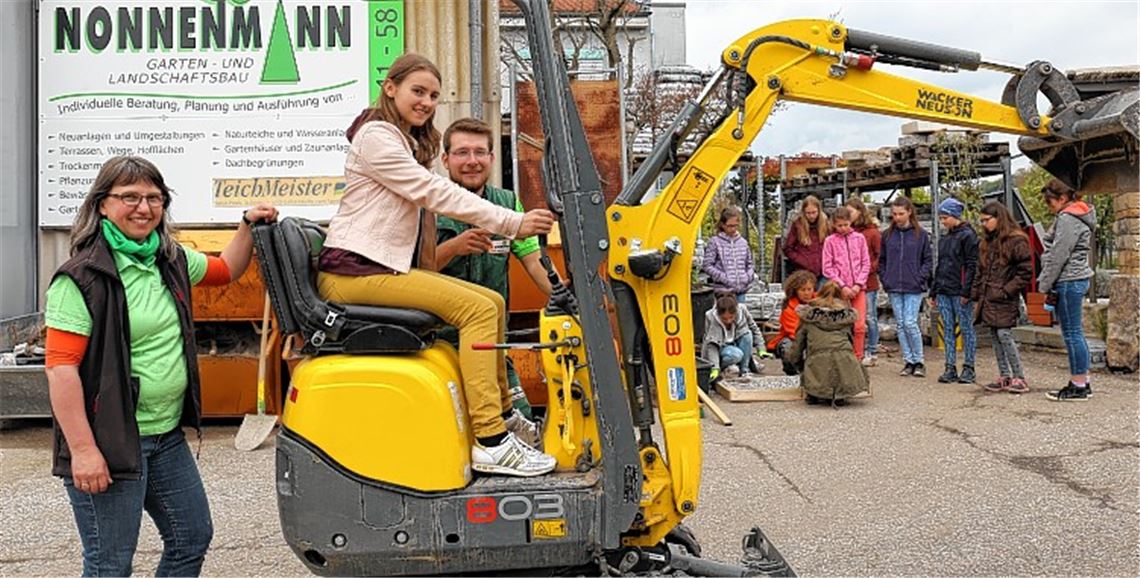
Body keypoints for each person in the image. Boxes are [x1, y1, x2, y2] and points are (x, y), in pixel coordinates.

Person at [317, 53, 557, 476]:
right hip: (354, 271)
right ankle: (492, 440)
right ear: (390, 88)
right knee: (479, 309)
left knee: (491, 302)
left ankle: (503, 416)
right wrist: (512, 222)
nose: (427, 101)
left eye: (433, 95)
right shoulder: (377, 136)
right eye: (418, 91)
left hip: (374, 268)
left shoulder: (407, 142)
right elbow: (433, 192)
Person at [43, 156, 279, 576]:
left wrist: (246, 224)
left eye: (154, 198)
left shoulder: (168, 259)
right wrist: (83, 452)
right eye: (129, 197)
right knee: (109, 564)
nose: (144, 207)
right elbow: (61, 369)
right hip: (111, 441)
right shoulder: (80, 278)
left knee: (191, 538)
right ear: (102, 205)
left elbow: (226, 270)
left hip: (165, 436)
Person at [434, 118, 554, 420]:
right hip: (439, 346)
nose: (472, 161)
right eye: (462, 153)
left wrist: (568, 297)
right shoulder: (427, 205)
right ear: (445, 159)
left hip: (493, 347)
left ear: (491, 158)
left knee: (522, 420)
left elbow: (532, 259)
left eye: (479, 152)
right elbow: (408, 272)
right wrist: (454, 247)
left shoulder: (507, 203)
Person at [1036, 179, 1097, 401]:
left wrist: (1044, 283)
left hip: (1069, 278)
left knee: (1072, 334)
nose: (1048, 206)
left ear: (1062, 199)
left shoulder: (1068, 218)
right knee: (1075, 333)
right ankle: (1083, 380)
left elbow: (1059, 254)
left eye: (1049, 201)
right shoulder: (1079, 215)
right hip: (1076, 277)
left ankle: (1078, 384)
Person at [972, 201, 1033, 394]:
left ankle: (1019, 377)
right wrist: (976, 292)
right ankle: (1005, 375)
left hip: (1004, 297)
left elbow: (1026, 271)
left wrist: (1007, 290)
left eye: (986, 220)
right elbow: (980, 270)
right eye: (981, 220)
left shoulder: (1017, 240)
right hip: (989, 296)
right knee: (995, 336)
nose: (983, 224)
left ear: (999, 218)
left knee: (1004, 335)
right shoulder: (986, 243)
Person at [786, 281, 870, 406]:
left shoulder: (808, 317)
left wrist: (797, 366)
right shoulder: (846, 317)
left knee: (814, 359)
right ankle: (840, 390)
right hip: (845, 362)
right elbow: (851, 343)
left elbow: (797, 347)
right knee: (843, 355)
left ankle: (816, 390)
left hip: (817, 362)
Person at [880, 196, 933, 378]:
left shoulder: (921, 235)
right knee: (901, 324)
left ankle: (919, 361)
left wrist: (920, 278)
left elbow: (928, 259)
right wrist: (885, 278)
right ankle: (908, 360)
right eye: (894, 214)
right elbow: (882, 260)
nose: (897, 217)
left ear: (909, 212)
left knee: (910, 323)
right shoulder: (887, 235)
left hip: (913, 285)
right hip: (894, 284)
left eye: (901, 214)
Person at [930, 197, 979, 384]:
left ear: (955, 216)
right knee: (947, 329)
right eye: (941, 218)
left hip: (960, 291)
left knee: (966, 328)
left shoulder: (968, 236)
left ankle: (969, 366)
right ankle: (949, 366)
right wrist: (934, 291)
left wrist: (967, 292)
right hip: (943, 289)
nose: (943, 222)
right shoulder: (945, 239)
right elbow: (940, 265)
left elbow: (972, 265)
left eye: (945, 218)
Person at [821, 206, 870, 360]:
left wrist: (858, 284)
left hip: (858, 288)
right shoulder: (830, 241)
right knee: (840, 323)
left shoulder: (860, 238)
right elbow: (827, 267)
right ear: (833, 225)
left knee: (859, 325)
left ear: (851, 222)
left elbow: (865, 263)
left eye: (846, 225)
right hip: (839, 290)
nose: (843, 228)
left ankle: (858, 356)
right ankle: (842, 356)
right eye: (839, 225)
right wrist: (842, 285)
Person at [847, 197, 883, 366]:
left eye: (851, 212)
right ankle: (856, 349)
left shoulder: (872, 232)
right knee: (854, 318)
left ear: (860, 212)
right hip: (850, 283)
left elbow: (879, 256)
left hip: (868, 282)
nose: (848, 215)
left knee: (869, 317)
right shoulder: (847, 233)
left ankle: (872, 349)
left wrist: (867, 271)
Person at [702, 294, 764, 378]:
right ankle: (723, 368)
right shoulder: (711, 317)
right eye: (724, 319)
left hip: (736, 342)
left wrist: (761, 348)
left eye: (731, 317)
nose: (728, 321)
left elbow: (754, 328)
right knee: (736, 355)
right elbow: (711, 344)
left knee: (747, 335)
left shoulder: (742, 310)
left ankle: (744, 371)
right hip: (721, 348)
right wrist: (715, 367)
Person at [701, 206, 756, 302]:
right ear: (722, 225)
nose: (733, 229)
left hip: (741, 291)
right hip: (723, 292)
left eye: (736, 225)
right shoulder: (715, 242)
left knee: (740, 315)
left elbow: (749, 264)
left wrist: (747, 277)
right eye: (730, 226)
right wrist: (724, 278)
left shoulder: (743, 242)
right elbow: (707, 265)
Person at [767, 269, 816, 375]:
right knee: (789, 349)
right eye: (803, 290)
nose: (807, 293)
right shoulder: (788, 309)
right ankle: (792, 373)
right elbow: (794, 332)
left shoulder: (820, 303)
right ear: (795, 291)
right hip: (793, 338)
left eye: (809, 289)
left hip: (815, 338)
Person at [782, 195, 829, 281]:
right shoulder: (797, 225)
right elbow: (788, 248)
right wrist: (802, 261)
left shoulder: (826, 224)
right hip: (803, 271)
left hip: (823, 271)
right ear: (804, 212)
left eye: (814, 212)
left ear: (819, 211)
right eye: (808, 213)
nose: (811, 216)